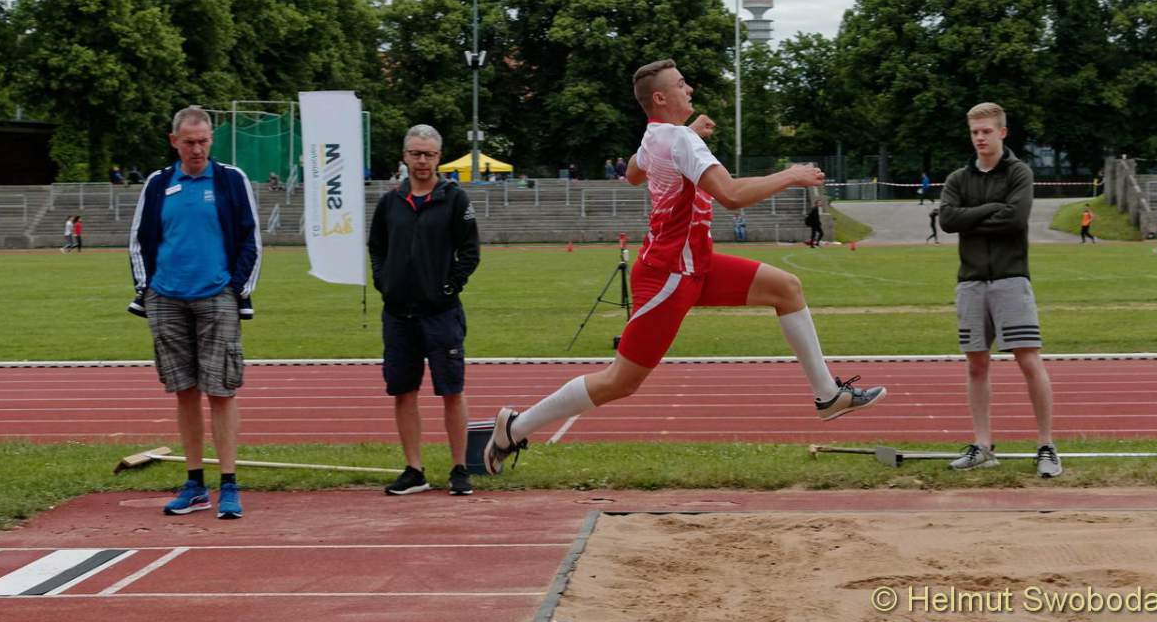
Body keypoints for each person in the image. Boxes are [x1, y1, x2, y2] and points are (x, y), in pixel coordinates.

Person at [482, 59, 885, 476]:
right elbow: (730, 195)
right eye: (680, 84)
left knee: (786, 288)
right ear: (660, 97)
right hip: (669, 275)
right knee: (620, 380)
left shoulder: (658, 135)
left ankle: (828, 396)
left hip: (697, 265)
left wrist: (685, 134)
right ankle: (515, 427)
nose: (689, 89)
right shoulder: (678, 140)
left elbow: (634, 174)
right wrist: (791, 174)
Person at [127, 105, 262, 518]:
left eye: (203, 141)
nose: (197, 149)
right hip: (166, 299)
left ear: (211, 140)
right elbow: (138, 240)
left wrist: (236, 290)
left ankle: (229, 484)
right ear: (174, 142)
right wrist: (147, 290)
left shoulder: (231, 180)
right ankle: (194, 483)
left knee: (221, 390)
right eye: (189, 142)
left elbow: (251, 239)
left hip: (217, 297)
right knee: (184, 391)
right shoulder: (158, 183)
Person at [939, 102, 1060, 478]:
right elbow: (947, 220)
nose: (980, 138)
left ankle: (1046, 446)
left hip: (1011, 278)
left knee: (1028, 360)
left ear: (1002, 132)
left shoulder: (1019, 172)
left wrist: (971, 219)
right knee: (976, 364)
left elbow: (1015, 219)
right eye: (974, 132)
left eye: (986, 131)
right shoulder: (958, 178)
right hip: (971, 281)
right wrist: (992, 208)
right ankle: (983, 446)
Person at [369, 124, 481, 496]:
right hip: (398, 313)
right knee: (404, 391)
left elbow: (470, 251)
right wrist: (384, 281)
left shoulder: (455, 199)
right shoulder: (390, 202)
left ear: (438, 157)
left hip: (441, 313)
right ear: (405, 156)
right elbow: (377, 247)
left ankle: (459, 468)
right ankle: (414, 470)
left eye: (429, 154)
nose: (422, 161)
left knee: (452, 390)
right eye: (416, 153)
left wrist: (449, 286)